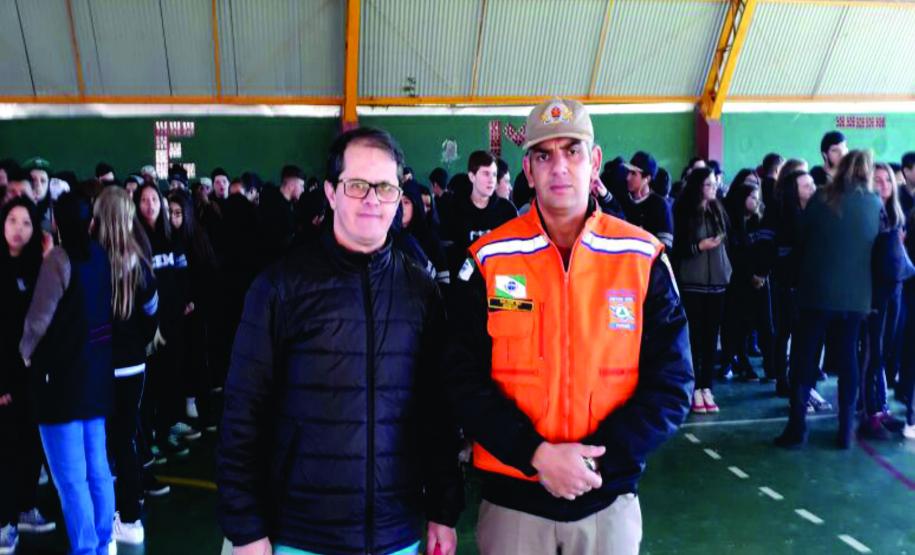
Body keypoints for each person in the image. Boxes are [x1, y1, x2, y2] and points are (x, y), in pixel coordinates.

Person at [445, 98, 692, 555]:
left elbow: (672, 383)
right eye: (544, 154)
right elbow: (461, 379)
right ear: (528, 169)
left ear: (594, 160)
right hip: (512, 506)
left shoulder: (643, 259)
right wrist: (535, 454)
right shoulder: (489, 261)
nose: (559, 166)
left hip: (608, 504)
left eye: (572, 150)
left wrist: (594, 463)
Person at [218, 127, 464, 555]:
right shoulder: (279, 289)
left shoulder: (420, 293)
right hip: (300, 536)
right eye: (357, 185)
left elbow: (436, 412)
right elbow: (242, 415)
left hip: (396, 533)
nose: (373, 199)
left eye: (386, 187)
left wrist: (443, 508)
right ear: (331, 193)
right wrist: (246, 528)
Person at [19, 192, 116, 555]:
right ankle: (103, 542)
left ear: (55, 224)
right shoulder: (100, 256)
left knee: (71, 480)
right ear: (90, 222)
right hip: (95, 379)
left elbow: (37, 321)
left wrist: (25, 355)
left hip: (61, 384)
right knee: (98, 470)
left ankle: (86, 549)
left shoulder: (58, 261)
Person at [775, 150, 882, 449]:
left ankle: (797, 427)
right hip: (857, 298)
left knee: (804, 358)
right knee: (848, 359)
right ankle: (846, 429)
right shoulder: (874, 204)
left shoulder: (821, 199)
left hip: (815, 292)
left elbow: (801, 239)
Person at [93, 187, 159, 546]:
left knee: (100, 444)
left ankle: (109, 517)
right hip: (132, 365)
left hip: (100, 368)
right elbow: (151, 315)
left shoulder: (89, 262)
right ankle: (130, 518)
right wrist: (137, 343)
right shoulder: (141, 263)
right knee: (126, 440)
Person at [0, 198, 56, 555]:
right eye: (12, 220)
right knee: (5, 451)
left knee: (31, 446)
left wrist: (49, 255)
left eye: (26, 222)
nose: (18, 228)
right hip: (5, 380)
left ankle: (24, 508)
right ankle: (4, 523)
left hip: (32, 375)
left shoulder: (39, 267)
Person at [135, 183, 195, 463]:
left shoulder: (171, 237)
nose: (150, 205)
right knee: (152, 383)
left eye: (154, 200)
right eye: (144, 200)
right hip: (149, 325)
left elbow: (183, 273)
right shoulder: (135, 240)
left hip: (174, 320)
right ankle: (152, 439)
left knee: (173, 374)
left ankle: (167, 429)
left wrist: (186, 300)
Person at [673, 168, 731, 414]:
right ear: (698, 186)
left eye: (714, 183)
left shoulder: (717, 208)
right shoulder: (684, 210)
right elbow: (677, 248)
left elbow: (730, 239)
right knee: (695, 338)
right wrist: (699, 246)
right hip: (693, 283)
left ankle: (707, 387)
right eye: (708, 184)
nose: (713, 187)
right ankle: (694, 388)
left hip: (717, 282)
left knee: (710, 339)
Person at [859, 162, 907, 439]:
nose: (883, 186)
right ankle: (870, 412)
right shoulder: (868, 215)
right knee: (872, 352)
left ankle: (882, 406)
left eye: (887, 181)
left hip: (894, 288)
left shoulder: (896, 215)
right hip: (873, 291)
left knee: (885, 351)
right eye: (877, 181)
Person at [440, 151, 517, 275]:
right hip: (466, 283)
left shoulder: (507, 210)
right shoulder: (455, 210)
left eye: (494, 174)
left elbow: (516, 255)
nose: (491, 180)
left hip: (502, 282)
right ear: (472, 176)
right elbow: (453, 254)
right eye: (486, 174)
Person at [620, 151, 674, 249]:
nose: (628, 177)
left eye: (633, 173)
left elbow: (665, 246)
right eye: (628, 172)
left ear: (647, 178)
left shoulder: (660, 205)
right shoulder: (622, 199)